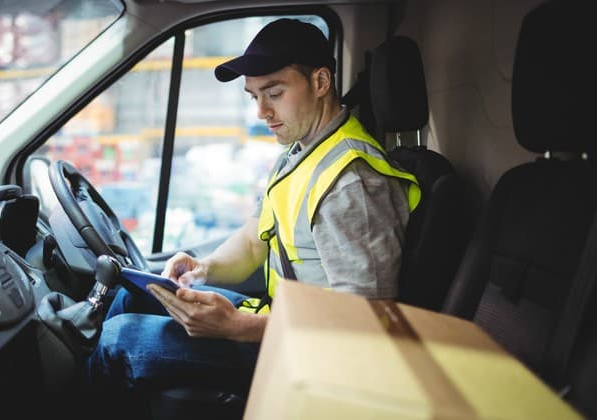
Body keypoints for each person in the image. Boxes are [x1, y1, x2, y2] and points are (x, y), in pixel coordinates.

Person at [86, 17, 420, 415]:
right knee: (132, 297)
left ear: (320, 82)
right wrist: (203, 268)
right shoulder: (303, 153)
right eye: (253, 96)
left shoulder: (352, 183)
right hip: (282, 322)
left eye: (274, 93)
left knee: (118, 340)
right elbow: (255, 237)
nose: (262, 111)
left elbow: (366, 322)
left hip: (317, 359)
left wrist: (236, 327)